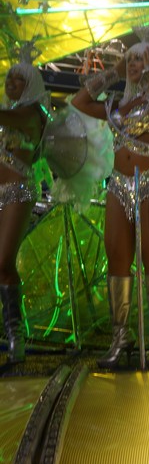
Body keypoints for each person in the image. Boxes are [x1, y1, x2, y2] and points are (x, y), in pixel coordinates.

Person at [71, 30, 149, 368]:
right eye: (133, 59)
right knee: (117, 257)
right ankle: (120, 336)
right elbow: (80, 102)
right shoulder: (118, 104)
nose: (137, 63)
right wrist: (114, 71)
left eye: (144, 57)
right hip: (120, 183)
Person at [0, 57, 49, 365]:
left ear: (30, 85)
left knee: (3, 261)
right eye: (8, 78)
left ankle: (15, 336)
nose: (10, 83)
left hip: (19, 192)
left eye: (18, 79)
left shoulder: (32, 114)